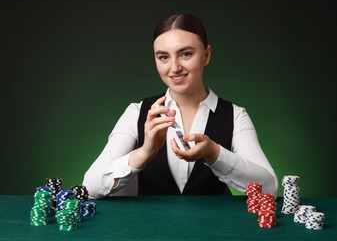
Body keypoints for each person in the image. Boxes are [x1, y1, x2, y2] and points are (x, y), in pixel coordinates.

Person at [82, 13, 278, 198]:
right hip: (148, 232)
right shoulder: (136, 112)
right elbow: (90, 186)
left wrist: (214, 153)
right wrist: (145, 152)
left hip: (214, 232)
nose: (174, 68)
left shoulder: (235, 116)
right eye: (163, 57)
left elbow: (270, 187)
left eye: (185, 54)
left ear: (206, 55)